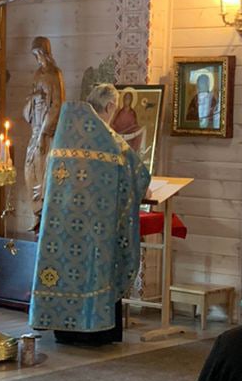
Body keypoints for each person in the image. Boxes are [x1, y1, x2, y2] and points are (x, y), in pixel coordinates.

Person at [29, 84, 151, 346]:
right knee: (94, 271)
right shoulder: (109, 141)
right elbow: (139, 174)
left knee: (65, 269)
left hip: (61, 227)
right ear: (110, 106)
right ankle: (94, 331)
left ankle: (63, 330)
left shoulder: (65, 134)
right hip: (96, 229)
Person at [23, 36, 66, 230]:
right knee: (29, 172)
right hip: (35, 129)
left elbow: (57, 105)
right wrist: (34, 99)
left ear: (46, 53)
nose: (38, 59)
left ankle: (44, 217)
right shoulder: (37, 74)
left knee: (44, 174)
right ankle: (35, 213)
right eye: (35, 55)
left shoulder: (55, 74)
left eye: (39, 54)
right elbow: (30, 105)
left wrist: (42, 134)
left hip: (47, 134)